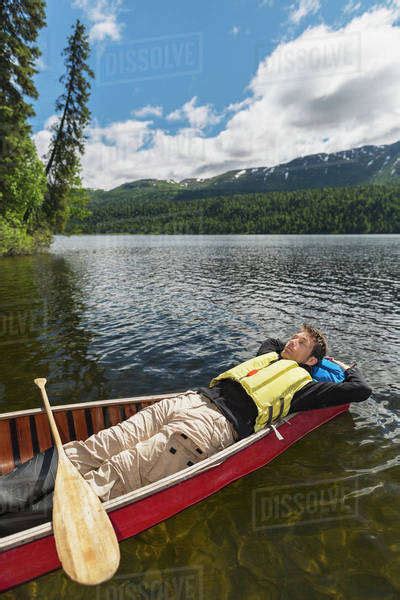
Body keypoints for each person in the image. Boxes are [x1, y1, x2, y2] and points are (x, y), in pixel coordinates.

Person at [0, 323, 372, 535]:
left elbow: (360, 390)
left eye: (301, 342)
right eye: (293, 335)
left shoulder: (306, 386)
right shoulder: (270, 354)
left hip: (210, 426)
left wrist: (336, 365)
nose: (290, 340)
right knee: (90, 447)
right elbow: (274, 343)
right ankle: (5, 494)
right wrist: (301, 348)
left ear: (312, 359)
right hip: (183, 401)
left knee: (114, 474)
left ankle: (14, 528)